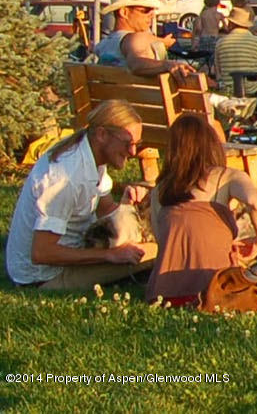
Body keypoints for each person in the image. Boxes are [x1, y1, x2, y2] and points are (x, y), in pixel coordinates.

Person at [145, 114, 257, 305]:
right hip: (218, 292)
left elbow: (165, 243)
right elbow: (256, 202)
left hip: (164, 296)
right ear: (211, 144)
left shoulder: (159, 191)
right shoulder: (225, 177)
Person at [7, 101, 157, 288]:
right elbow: (41, 253)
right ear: (102, 134)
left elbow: (106, 208)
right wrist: (110, 255)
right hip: (43, 277)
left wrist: (127, 204)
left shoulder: (91, 155)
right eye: (127, 143)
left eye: (136, 144)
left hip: (67, 253)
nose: (133, 152)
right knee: (160, 252)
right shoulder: (66, 178)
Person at [94, 0, 194, 78]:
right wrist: (167, 65)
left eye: (153, 9)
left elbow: (145, 40)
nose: (153, 14)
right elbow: (136, 63)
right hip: (142, 95)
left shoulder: (104, 45)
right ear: (124, 12)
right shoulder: (134, 38)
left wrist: (162, 41)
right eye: (145, 10)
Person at [213, 5, 257, 97]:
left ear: (231, 23)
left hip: (228, 90)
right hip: (253, 89)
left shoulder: (220, 43)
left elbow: (218, 71)